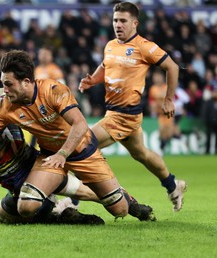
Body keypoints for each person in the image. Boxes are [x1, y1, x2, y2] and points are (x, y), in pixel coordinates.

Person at [0, 50, 154, 223]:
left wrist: (63, 153)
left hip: (82, 151)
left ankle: (127, 201)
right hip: (49, 158)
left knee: (119, 210)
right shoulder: (5, 107)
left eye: (8, 84)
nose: (5, 91)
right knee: (26, 206)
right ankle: (63, 214)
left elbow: (80, 125)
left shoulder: (53, 90)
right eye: (3, 85)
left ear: (27, 81)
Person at [78, 2, 186, 212]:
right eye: (115, 20)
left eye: (123, 21)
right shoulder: (110, 45)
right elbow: (106, 65)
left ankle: (72, 200)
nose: (118, 24)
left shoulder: (144, 46)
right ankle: (174, 186)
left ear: (135, 23)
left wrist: (168, 99)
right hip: (116, 112)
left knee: (83, 146)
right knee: (142, 154)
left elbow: (172, 66)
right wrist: (93, 80)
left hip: (123, 116)